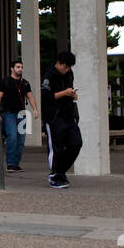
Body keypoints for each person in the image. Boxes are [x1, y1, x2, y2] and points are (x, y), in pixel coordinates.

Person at [41, 51, 82, 188]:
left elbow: (69, 90)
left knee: (76, 142)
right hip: (54, 116)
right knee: (56, 147)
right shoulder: (49, 75)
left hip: (68, 114)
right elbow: (46, 97)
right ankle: (55, 174)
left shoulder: (69, 74)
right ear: (59, 63)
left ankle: (60, 171)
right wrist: (64, 93)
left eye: (70, 67)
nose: (67, 70)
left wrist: (72, 95)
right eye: (65, 67)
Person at [0, 58, 39, 172]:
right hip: (8, 113)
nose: (20, 69)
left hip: (23, 113)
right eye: (18, 67)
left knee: (21, 140)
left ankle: (16, 163)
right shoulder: (5, 82)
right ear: (12, 69)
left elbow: (30, 96)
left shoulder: (25, 83)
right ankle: (10, 163)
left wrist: (35, 109)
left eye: (21, 67)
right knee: (12, 136)